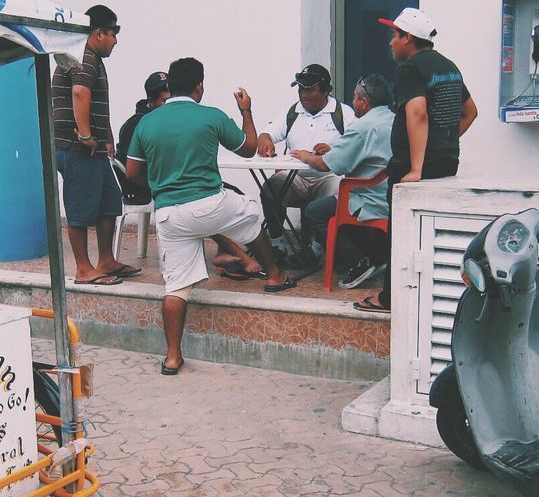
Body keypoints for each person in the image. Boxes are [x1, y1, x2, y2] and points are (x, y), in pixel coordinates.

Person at [126, 57, 294, 375]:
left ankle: (172, 357)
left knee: (176, 287)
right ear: (199, 86)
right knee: (251, 214)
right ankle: (273, 275)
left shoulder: (146, 122)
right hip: (210, 204)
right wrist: (246, 110)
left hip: (169, 214)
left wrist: (161, 182)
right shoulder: (211, 116)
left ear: (169, 86)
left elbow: (133, 172)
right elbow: (248, 149)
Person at [354, 8, 478, 313]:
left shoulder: (410, 68)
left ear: (407, 38)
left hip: (415, 168)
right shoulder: (448, 66)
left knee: (401, 235)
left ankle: (389, 299)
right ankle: (423, 298)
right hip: (446, 163)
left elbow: (417, 112)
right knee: (430, 235)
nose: (391, 44)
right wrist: (444, 144)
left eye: (394, 37)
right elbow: (470, 112)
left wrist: (416, 167)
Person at [52, 4, 139, 286]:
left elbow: (94, 100)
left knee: (109, 200)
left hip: (93, 147)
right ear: (98, 33)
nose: (116, 41)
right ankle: (83, 268)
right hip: (78, 146)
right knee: (79, 205)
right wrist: (86, 134)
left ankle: (105, 260)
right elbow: (79, 92)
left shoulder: (88, 57)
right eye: (113, 34)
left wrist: (107, 135)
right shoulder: (84, 56)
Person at [291, 74, 394, 289]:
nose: (353, 102)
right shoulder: (393, 119)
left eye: (355, 98)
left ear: (364, 102)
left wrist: (305, 155)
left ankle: (359, 262)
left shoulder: (362, 127)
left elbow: (326, 165)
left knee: (315, 212)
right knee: (332, 205)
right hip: (390, 194)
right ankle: (376, 255)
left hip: (368, 198)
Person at [256, 64, 353, 259]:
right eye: (300, 89)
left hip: (328, 176)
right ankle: (277, 244)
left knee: (336, 191)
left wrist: (333, 150)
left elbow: (356, 147)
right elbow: (266, 134)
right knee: (270, 188)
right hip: (297, 178)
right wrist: (266, 143)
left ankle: (316, 248)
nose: (304, 94)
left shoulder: (343, 113)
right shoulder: (292, 112)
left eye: (310, 89)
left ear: (325, 90)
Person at [114, 71, 169, 205]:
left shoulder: (164, 119)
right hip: (141, 188)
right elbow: (132, 170)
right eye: (165, 101)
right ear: (151, 101)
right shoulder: (137, 124)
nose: (170, 105)